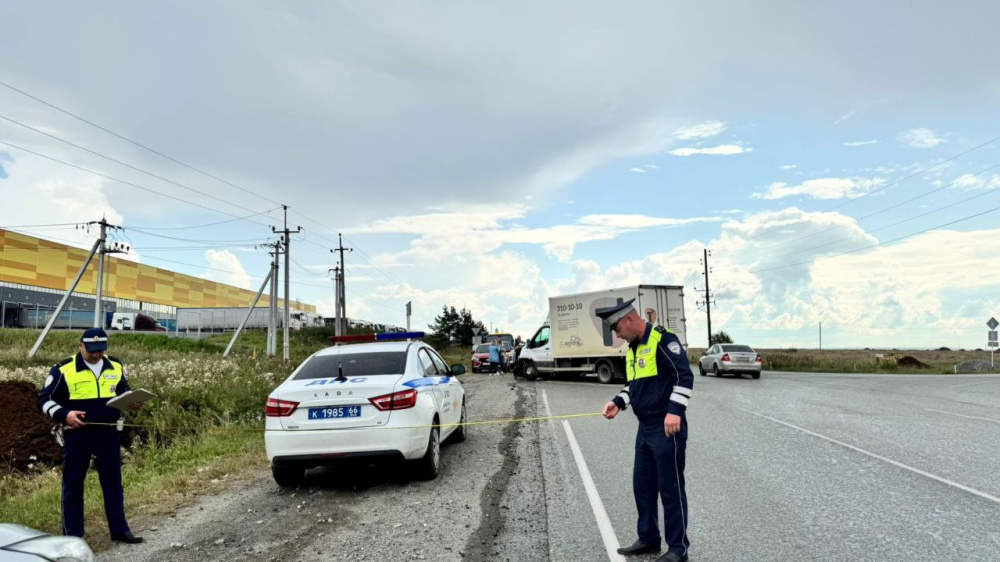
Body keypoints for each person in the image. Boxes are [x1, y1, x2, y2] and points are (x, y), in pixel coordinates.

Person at [598, 299, 692, 562]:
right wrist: (618, 402)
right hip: (645, 428)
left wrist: (675, 410)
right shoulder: (633, 349)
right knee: (643, 485)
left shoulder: (662, 339)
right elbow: (635, 386)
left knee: (671, 488)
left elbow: (684, 377)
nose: (618, 335)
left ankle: (678, 549)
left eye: (617, 329)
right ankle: (649, 538)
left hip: (666, 426)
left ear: (629, 319)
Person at [37, 328, 143, 544]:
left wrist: (131, 401)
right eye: (92, 350)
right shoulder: (63, 369)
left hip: (108, 433)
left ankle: (120, 530)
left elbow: (123, 391)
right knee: (73, 484)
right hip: (78, 434)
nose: (96, 354)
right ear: (80, 346)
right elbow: (43, 400)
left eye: (100, 350)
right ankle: (73, 536)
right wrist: (64, 415)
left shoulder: (115, 365)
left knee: (113, 482)